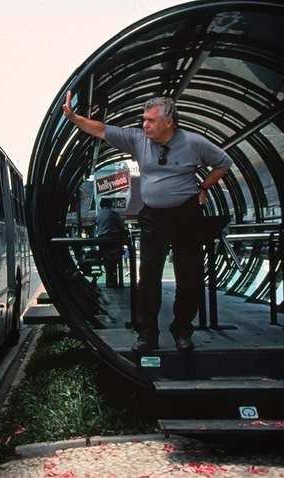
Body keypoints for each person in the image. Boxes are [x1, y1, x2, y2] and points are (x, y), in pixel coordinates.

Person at [63, 92, 233, 352]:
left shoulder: (194, 143)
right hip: (153, 216)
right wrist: (75, 118)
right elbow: (102, 130)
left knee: (189, 276)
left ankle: (182, 331)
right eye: (144, 120)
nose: (145, 125)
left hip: (186, 215)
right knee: (148, 276)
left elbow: (224, 162)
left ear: (169, 122)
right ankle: (147, 334)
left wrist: (204, 187)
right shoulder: (137, 139)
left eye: (151, 121)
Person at [95, 197, 126, 288]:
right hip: (113, 238)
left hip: (102, 239)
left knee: (106, 259)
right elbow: (122, 226)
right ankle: (113, 279)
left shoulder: (98, 214)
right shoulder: (113, 213)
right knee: (114, 258)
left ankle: (109, 279)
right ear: (110, 204)